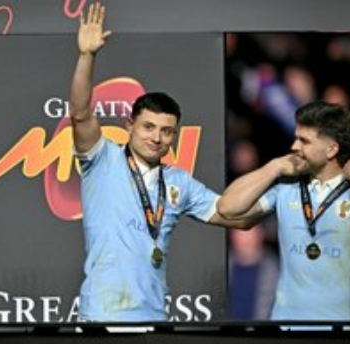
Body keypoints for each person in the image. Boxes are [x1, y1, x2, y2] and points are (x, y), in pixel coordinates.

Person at [70, 2, 241, 322]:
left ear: (174, 135)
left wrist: (275, 174)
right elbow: (79, 114)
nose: (156, 137)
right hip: (101, 317)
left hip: (154, 320)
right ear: (129, 125)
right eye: (148, 127)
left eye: (166, 131)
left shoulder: (179, 182)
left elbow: (232, 214)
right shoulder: (102, 158)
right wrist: (87, 56)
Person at [218, 100, 350, 321]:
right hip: (287, 328)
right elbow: (227, 208)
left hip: (341, 332)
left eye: (304, 141)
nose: (294, 146)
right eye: (296, 138)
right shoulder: (287, 188)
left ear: (331, 149)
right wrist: (274, 167)